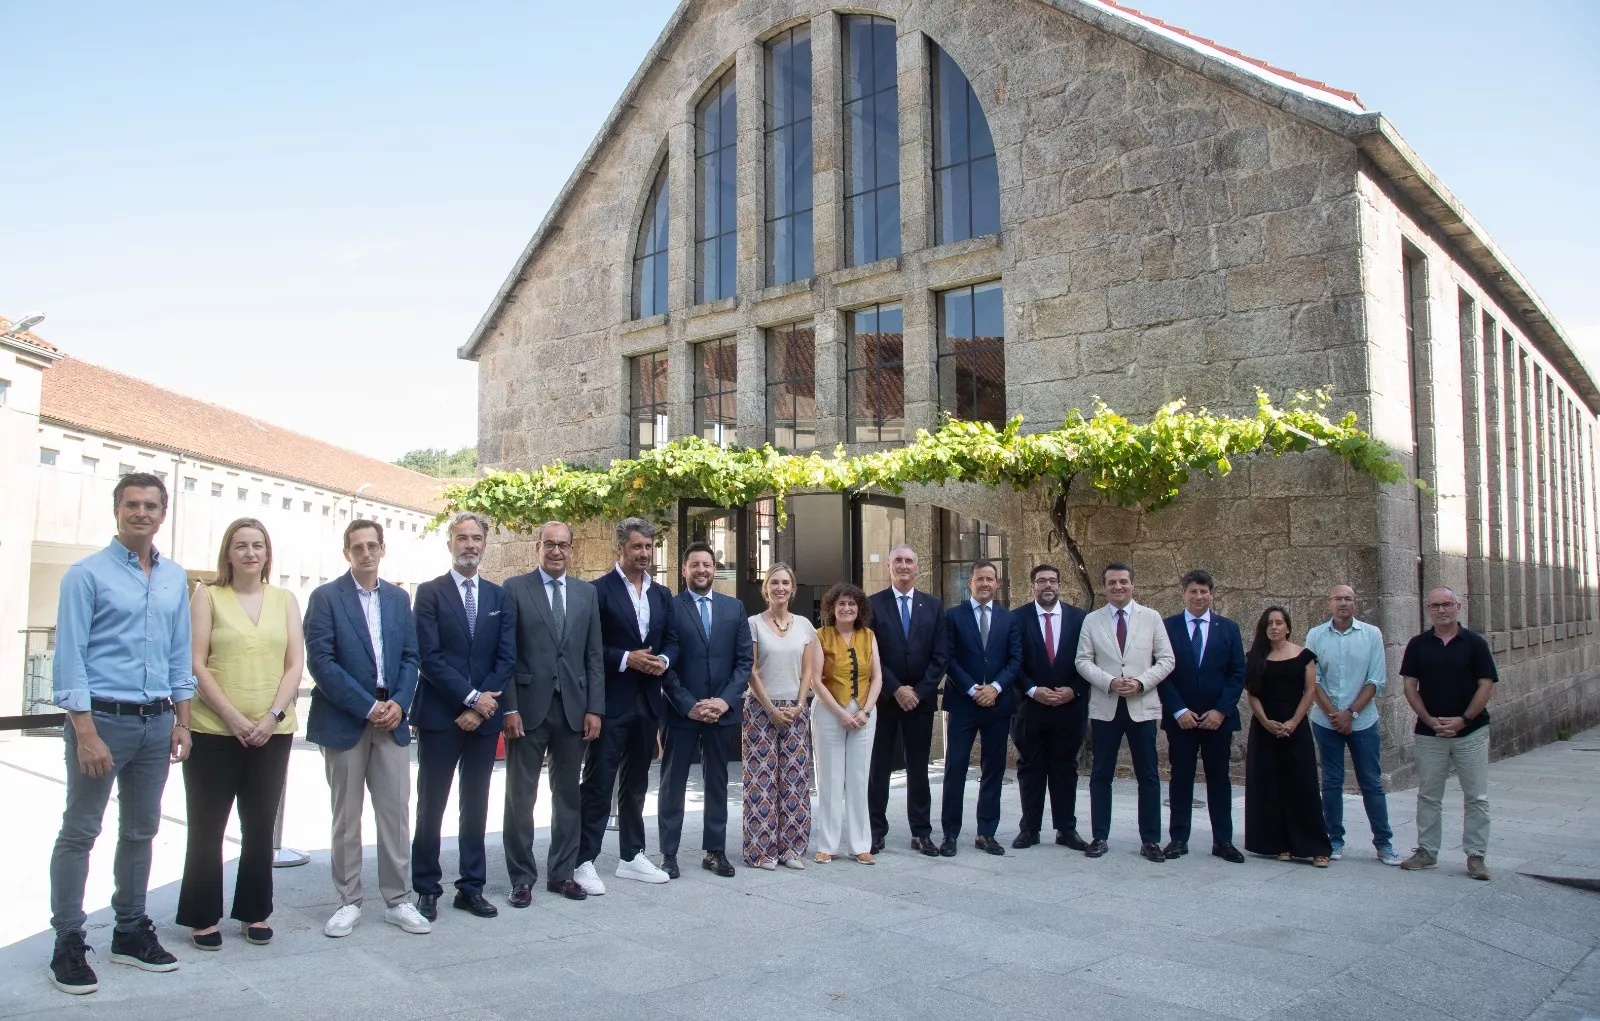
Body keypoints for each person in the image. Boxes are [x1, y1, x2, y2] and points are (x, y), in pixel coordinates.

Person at [48, 473, 193, 995]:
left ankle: (130, 930)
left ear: (162, 513)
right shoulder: (85, 575)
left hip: (157, 724)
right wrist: (84, 731)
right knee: (81, 831)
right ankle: (67, 939)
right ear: (117, 511)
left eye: (151, 505)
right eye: (132, 504)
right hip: (102, 722)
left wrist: (183, 719)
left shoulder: (175, 578)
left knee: (140, 831)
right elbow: (71, 659)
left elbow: (179, 652)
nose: (142, 513)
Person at [178, 518, 302, 950]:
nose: (250, 553)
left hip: (272, 732)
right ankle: (201, 915)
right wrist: (232, 717)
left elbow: (293, 665)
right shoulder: (207, 596)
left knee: (259, 825)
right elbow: (196, 663)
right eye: (241, 546)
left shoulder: (285, 599)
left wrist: (271, 716)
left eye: (258, 546)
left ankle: (255, 912)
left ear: (268, 554)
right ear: (227, 553)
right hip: (213, 730)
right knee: (208, 827)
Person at [305, 520, 427, 938]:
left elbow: (411, 656)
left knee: (395, 814)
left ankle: (398, 900)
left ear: (382, 549)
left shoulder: (397, 598)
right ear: (347, 554)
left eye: (373, 546)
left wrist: (398, 703)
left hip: (391, 719)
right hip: (345, 719)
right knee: (346, 816)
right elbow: (321, 663)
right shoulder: (325, 598)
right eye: (358, 548)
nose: (366, 553)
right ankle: (348, 901)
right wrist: (367, 706)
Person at [410, 512, 517, 922]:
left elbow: (506, 656)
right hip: (442, 716)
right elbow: (429, 657)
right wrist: (471, 698)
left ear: (485, 544)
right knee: (431, 806)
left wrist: (483, 704)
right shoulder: (430, 593)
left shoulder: (497, 597)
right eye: (461, 538)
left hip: (484, 719)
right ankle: (426, 888)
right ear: (449, 543)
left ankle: (470, 887)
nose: (469, 544)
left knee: (476, 805)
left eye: (476, 538)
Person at [501, 521, 605, 903]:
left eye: (563, 545)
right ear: (537, 547)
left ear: (572, 550)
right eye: (550, 545)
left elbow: (593, 655)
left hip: (573, 711)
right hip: (527, 709)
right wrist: (508, 706)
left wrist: (595, 708)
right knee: (520, 796)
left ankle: (561, 873)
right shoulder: (515, 589)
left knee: (567, 798)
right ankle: (522, 877)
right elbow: (506, 655)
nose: (556, 551)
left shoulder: (586, 594)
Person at [579, 517, 679, 891]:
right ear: (620, 548)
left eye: (649, 547)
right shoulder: (598, 592)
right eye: (637, 547)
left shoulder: (661, 594)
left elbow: (672, 641)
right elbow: (589, 648)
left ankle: (631, 855)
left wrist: (664, 661)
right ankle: (583, 859)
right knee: (599, 782)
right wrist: (626, 658)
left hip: (648, 703)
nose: (644, 554)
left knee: (636, 784)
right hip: (611, 703)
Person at [658, 542, 753, 878]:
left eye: (707, 565)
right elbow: (664, 664)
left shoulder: (734, 608)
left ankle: (715, 852)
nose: (701, 570)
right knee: (673, 783)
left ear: (715, 569)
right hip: (681, 712)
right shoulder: (669, 608)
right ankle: (668, 853)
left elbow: (744, 662)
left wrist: (724, 701)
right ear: (684, 570)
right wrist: (688, 705)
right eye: (694, 565)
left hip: (721, 711)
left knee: (717, 781)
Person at [1074, 562, 1174, 862]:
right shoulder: (1092, 620)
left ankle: (1151, 841)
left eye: (1123, 582)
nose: (1118, 587)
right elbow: (1083, 660)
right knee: (1101, 774)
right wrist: (1110, 681)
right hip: (1107, 706)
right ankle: (1100, 836)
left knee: (1149, 776)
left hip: (1141, 707)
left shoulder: (1151, 618)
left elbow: (1166, 659)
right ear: (1105, 587)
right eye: (1112, 583)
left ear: (1133, 585)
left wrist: (1141, 683)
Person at [1399, 588, 1498, 880]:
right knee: (1429, 795)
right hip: (1430, 734)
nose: (1441, 610)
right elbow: (1409, 686)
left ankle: (1476, 856)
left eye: (1446, 604)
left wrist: (1464, 720)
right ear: (1428, 610)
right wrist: (1429, 720)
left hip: (1471, 732)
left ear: (1458, 607)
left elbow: (1486, 684)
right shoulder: (1417, 645)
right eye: (1435, 606)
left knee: (1476, 796)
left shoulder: (1475, 644)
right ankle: (1427, 852)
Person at [1305, 585, 1400, 865]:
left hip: (1363, 722)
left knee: (1371, 782)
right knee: (1332, 782)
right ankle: (1333, 839)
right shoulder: (1316, 635)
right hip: (1326, 721)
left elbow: (1376, 680)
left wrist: (1351, 714)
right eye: (1338, 599)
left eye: (1348, 599)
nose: (1343, 603)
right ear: (1328, 603)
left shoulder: (1371, 634)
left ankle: (1383, 843)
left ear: (1355, 604)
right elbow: (1314, 679)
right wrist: (1335, 714)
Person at [1159, 569, 1246, 863]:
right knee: (1180, 779)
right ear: (1183, 593)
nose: (1199, 596)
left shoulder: (1228, 628)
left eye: (1204, 591)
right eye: (1193, 591)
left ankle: (1223, 840)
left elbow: (1237, 673)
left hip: (1216, 720)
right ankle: (1178, 838)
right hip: (1181, 719)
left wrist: (1221, 711)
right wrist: (1178, 709)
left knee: (1219, 780)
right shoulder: (1167, 627)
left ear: (1212, 594)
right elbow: (1161, 671)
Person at [866, 545, 948, 856]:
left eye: (909, 561)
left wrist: (919, 691)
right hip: (884, 700)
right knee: (880, 767)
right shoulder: (872, 605)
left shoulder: (934, 606)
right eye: (898, 560)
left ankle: (921, 833)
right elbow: (872, 656)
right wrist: (897, 688)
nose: (903, 566)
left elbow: (940, 656)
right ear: (888, 566)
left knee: (918, 768)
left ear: (918, 567)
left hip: (921, 702)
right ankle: (875, 831)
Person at [940, 561, 1021, 857]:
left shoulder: (1008, 619)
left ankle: (986, 832)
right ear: (970, 583)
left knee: (993, 769)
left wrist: (995, 688)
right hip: (963, 703)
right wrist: (974, 689)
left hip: (997, 705)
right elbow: (948, 658)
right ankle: (950, 834)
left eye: (990, 579)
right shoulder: (953, 616)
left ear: (997, 584)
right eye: (979, 579)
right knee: (956, 767)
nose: (985, 583)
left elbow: (1016, 660)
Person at [1243, 606, 1332, 866]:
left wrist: (1293, 722)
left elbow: (1309, 691)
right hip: (1264, 729)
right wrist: (1265, 721)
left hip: (1296, 728)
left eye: (1279, 622)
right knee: (1269, 785)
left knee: (1302, 785)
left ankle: (1316, 847)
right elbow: (1252, 693)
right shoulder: (1255, 657)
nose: (1274, 627)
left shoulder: (1304, 656)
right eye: (1269, 623)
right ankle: (1278, 844)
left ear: (1288, 627)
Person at [743, 564, 817, 870]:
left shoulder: (804, 626)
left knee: (795, 780)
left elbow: (809, 671)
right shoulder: (753, 624)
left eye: (785, 583)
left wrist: (799, 706)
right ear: (766, 588)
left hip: (795, 710)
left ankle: (791, 849)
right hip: (761, 709)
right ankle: (761, 852)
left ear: (793, 588)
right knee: (761, 782)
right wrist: (771, 710)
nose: (780, 588)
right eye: (774, 582)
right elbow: (750, 670)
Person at [1011, 563, 1090, 851]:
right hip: (1030, 710)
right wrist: (1032, 690)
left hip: (1069, 709)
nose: (1047, 585)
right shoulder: (1017, 619)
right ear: (1032, 585)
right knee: (1030, 768)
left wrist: (1074, 690)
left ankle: (1066, 829)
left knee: (1065, 768)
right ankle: (1029, 829)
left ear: (1059, 585)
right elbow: (1012, 661)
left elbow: (1089, 660)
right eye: (1041, 580)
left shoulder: (1080, 619)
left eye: (1053, 581)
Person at [811, 583, 883, 863]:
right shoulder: (821, 636)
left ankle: (860, 845)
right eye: (841, 603)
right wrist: (840, 714)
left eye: (852, 604)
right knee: (828, 778)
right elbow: (816, 680)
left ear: (859, 608)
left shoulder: (869, 636)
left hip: (864, 711)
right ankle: (827, 846)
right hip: (830, 711)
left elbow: (876, 677)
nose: (846, 608)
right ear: (831, 607)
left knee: (858, 778)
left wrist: (865, 711)